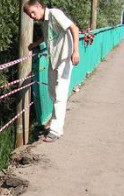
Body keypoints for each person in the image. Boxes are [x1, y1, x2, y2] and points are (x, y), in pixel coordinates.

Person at [24, 0, 80, 142]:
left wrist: (76, 51)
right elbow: (47, 35)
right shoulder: (45, 21)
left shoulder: (55, 14)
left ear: (39, 6)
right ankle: (55, 125)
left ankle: (56, 130)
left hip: (65, 58)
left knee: (60, 94)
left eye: (32, 12)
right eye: (29, 15)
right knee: (53, 93)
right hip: (54, 60)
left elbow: (73, 28)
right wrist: (35, 44)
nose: (32, 16)